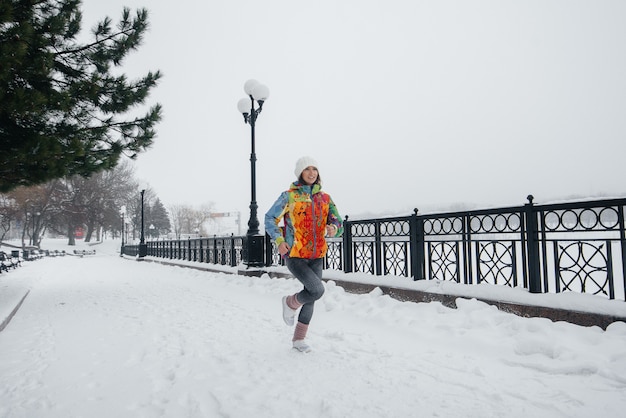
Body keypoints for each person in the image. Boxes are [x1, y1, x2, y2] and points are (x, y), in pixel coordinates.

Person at [264, 156, 343, 353]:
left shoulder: (325, 198)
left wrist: (334, 228)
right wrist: (280, 241)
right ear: (300, 173)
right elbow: (270, 218)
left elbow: (338, 221)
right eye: (307, 169)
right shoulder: (289, 196)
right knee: (316, 290)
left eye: (314, 169)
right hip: (295, 254)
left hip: (317, 254)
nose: (311, 172)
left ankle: (299, 340)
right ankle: (290, 302)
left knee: (312, 296)